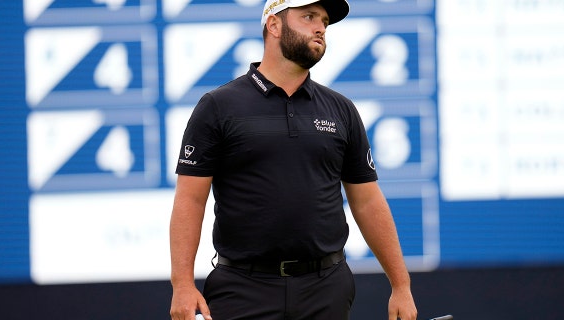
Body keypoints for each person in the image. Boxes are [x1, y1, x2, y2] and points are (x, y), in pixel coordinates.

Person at [169, 0, 418, 319]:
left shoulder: (341, 109)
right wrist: (182, 285)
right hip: (242, 288)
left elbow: (367, 201)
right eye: (309, 17)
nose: (320, 28)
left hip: (326, 287)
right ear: (274, 25)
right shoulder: (218, 106)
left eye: (325, 22)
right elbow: (189, 200)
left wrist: (401, 285)